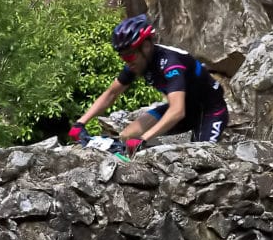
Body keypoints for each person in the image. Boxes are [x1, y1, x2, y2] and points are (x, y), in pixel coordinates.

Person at [68, 14, 228, 154]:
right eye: (122, 57)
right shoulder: (138, 61)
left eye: (129, 56)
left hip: (210, 111)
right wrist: (80, 122)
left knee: (200, 155)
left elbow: (177, 111)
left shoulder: (171, 64)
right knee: (126, 136)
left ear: (145, 46)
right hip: (185, 108)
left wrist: (144, 139)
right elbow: (111, 94)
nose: (127, 62)